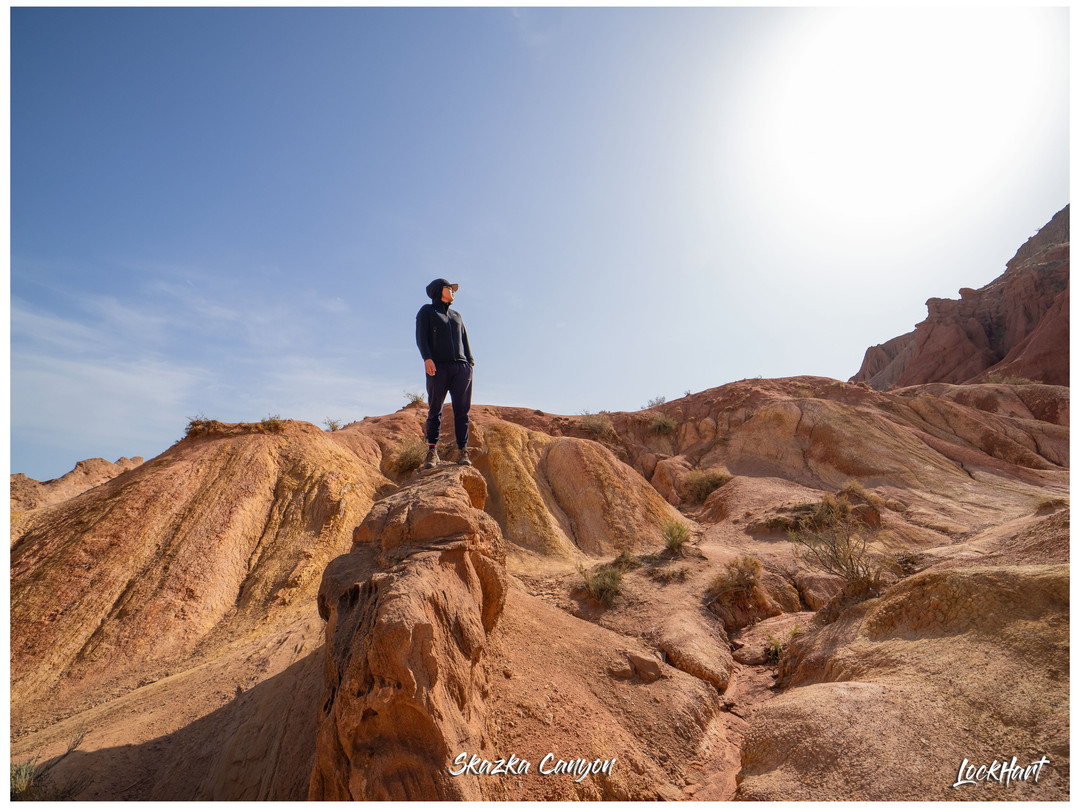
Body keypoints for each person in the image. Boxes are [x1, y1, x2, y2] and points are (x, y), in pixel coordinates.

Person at [415, 278, 474, 468]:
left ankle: (463, 451)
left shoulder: (457, 315)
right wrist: (427, 358)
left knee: (462, 411)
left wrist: (470, 362)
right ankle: (432, 452)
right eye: (450, 288)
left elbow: (464, 339)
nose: (453, 291)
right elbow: (421, 337)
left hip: (461, 368)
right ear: (439, 290)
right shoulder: (427, 311)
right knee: (435, 409)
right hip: (437, 367)